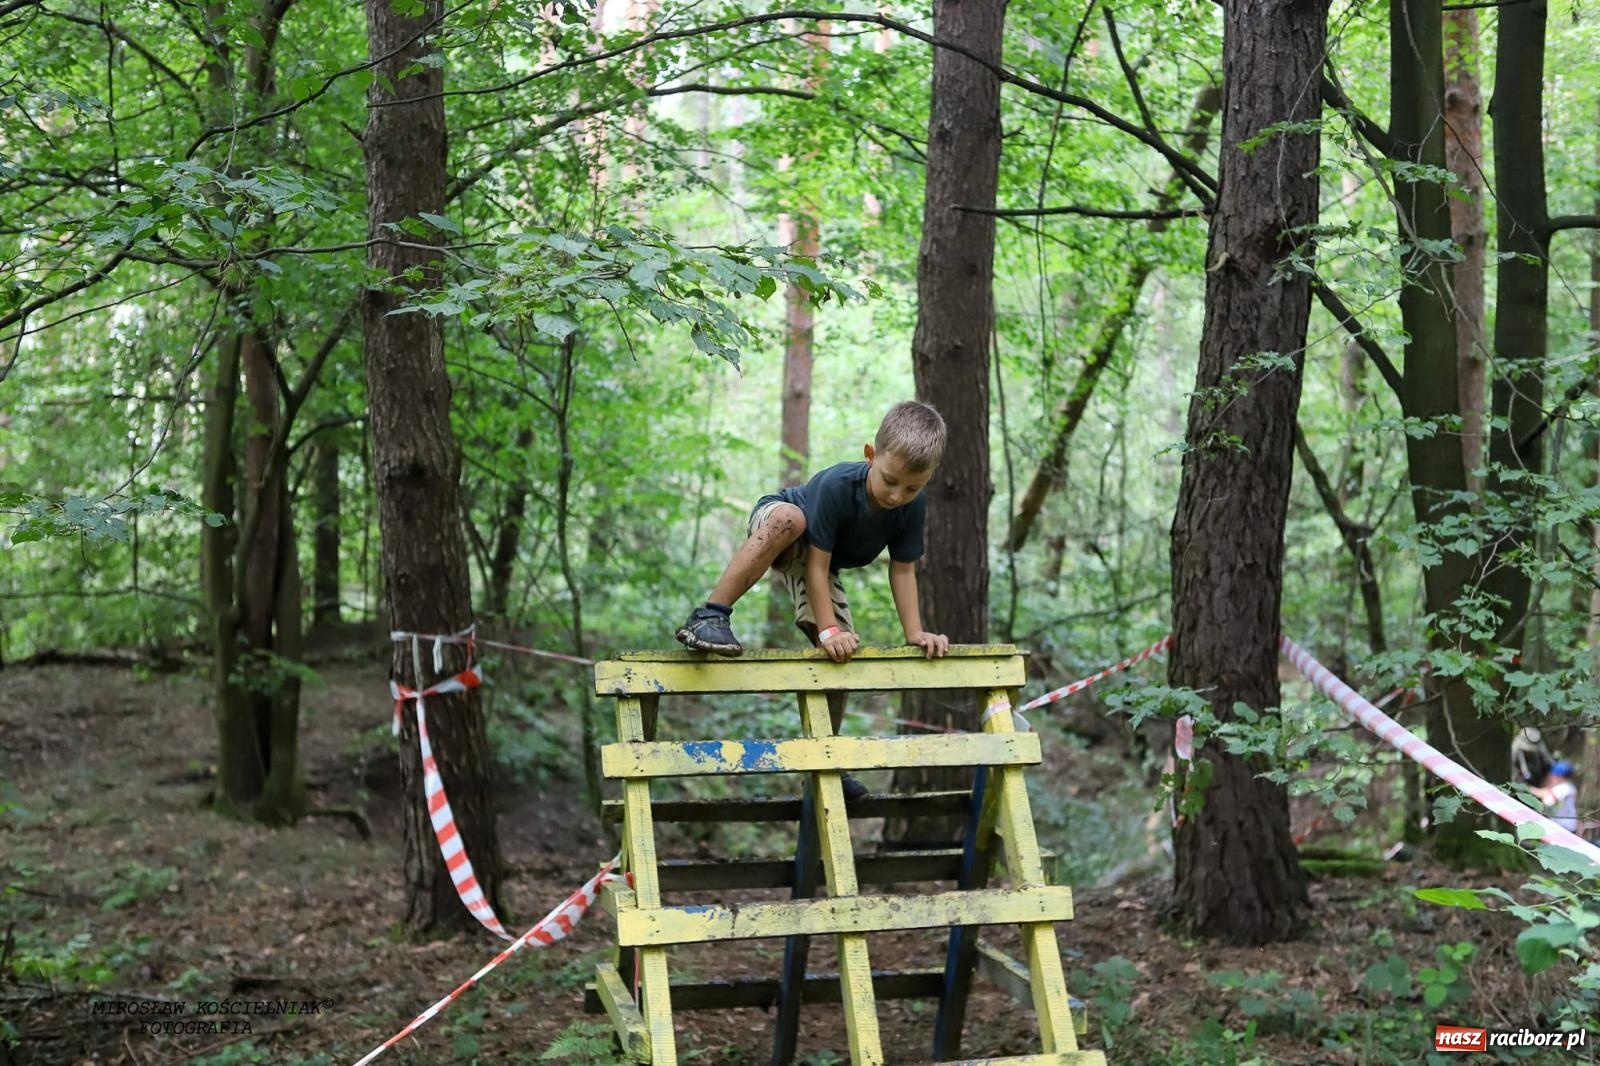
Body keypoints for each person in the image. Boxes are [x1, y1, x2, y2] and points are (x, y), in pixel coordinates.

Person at [675, 400, 951, 664]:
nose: (896, 496)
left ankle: (831, 712)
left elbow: (903, 571)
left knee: (843, 653)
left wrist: (914, 634)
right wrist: (828, 629)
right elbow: (817, 566)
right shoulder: (837, 485)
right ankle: (710, 615)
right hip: (780, 524)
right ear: (870, 455)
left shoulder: (914, 507)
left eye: (911, 488)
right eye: (889, 480)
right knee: (790, 518)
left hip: (817, 562)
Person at [1530, 761, 1579, 832]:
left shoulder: (1566, 788)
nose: (1550, 778)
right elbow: (1545, 792)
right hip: (1560, 826)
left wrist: (1528, 789)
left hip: (1565, 828)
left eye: (1552, 775)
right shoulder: (1563, 787)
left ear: (1559, 776)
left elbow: (1548, 799)